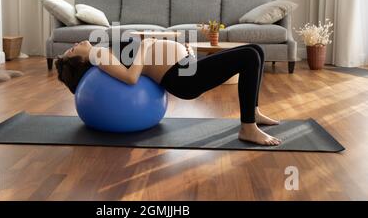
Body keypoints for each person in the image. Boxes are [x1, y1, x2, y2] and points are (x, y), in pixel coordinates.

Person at [56, 39, 282, 146]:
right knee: (249, 57)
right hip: (182, 79)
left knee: (256, 49)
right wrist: (145, 46)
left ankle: (254, 111)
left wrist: (185, 54)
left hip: (184, 68)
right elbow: (131, 78)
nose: (74, 44)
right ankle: (248, 127)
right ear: (78, 61)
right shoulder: (97, 54)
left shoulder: (101, 51)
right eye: (71, 50)